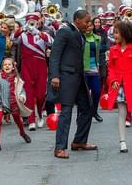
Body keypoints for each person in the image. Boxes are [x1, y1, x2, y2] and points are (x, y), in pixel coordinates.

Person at [48, 10, 97, 159]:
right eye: (86, 22)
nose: (89, 24)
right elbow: (55, 55)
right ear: (77, 20)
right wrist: (54, 76)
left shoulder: (80, 33)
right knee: (66, 113)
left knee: (88, 108)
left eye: (90, 22)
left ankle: (79, 141)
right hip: (66, 77)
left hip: (79, 77)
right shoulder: (65, 31)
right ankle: (59, 148)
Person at [107, 21, 132, 153]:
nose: (114, 35)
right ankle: (122, 142)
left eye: (117, 32)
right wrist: (112, 81)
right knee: (121, 113)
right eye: (114, 32)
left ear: (124, 33)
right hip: (119, 86)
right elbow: (111, 68)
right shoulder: (113, 49)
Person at [12, 12, 53, 131]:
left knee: (40, 94)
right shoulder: (22, 35)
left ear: (38, 22)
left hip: (40, 66)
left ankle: (40, 114)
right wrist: (21, 29)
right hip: (27, 66)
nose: (32, 24)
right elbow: (13, 40)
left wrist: (39, 33)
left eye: (34, 22)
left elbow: (51, 42)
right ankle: (31, 120)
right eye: (30, 22)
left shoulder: (43, 34)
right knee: (28, 93)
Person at [0, 58, 32, 152]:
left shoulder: (17, 79)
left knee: (17, 119)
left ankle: (22, 133)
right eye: (5, 65)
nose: (7, 66)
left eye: (9, 64)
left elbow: (22, 91)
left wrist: (22, 97)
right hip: (2, 104)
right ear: (2, 67)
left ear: (13, 67)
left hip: (13, 103)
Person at [83, 20, 103, 122]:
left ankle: (94, 111)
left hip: (94, 68)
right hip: (83, 69)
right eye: (86, 26)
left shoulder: (97, 38)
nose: (88, 28)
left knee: (97, 91)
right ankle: (82, 115)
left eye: (90, 26)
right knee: (84, 95)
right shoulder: (80, 37)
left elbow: (99, 52)